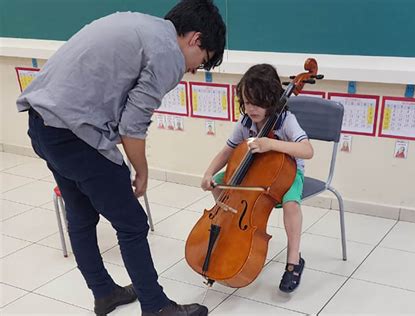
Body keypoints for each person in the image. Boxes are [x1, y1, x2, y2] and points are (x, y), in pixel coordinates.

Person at [16, 1, 225, 315]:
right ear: (195, 39)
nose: (192, 70)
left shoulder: (138, 22)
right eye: (201, 61)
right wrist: (141, 171)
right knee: (132, 224)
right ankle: (156, 307)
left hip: (42, 125)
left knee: (81, 216)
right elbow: (132, 126)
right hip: (75, 135)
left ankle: (104, 293)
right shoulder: (169, 52)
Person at [200, 64, 314, 293]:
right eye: (247, 102)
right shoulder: (245, 122)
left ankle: (294, 260)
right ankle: (232, 230)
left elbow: (307, 150)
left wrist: (270, 144)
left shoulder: (286, 121)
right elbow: (227, 151)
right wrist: (208, 173)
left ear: (271, 99)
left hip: (287, 172)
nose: (252, 109)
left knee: (291, 203)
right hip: (253, 171)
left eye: (258, 103)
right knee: (221, 183)